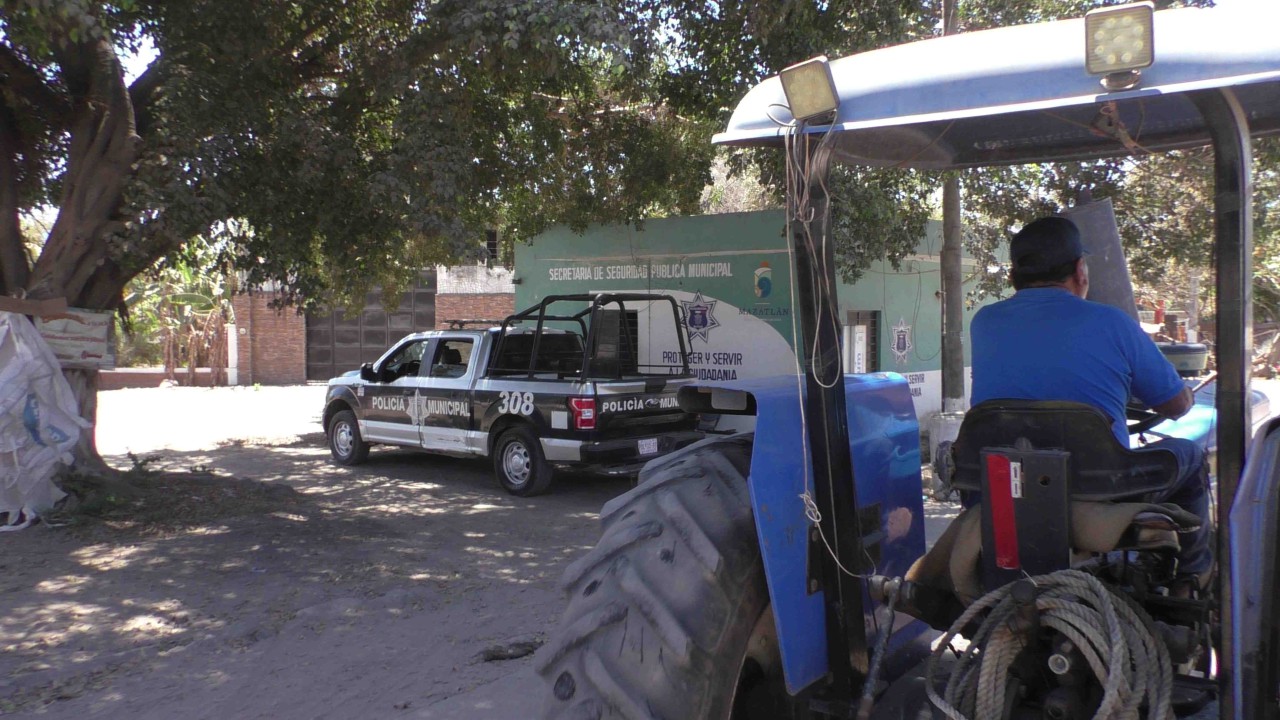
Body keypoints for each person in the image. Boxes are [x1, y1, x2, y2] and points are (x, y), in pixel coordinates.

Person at [969, 216, 1211, 590]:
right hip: (1104, 487)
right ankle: (1193, 577)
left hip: (1006, 484)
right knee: (1191, 457)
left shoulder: (984, 322)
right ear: (1081, 271)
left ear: (1014, 276)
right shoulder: (1113, 322)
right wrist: (1186, 393)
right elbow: (1176, 406)